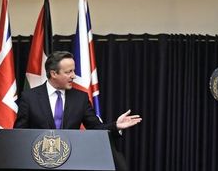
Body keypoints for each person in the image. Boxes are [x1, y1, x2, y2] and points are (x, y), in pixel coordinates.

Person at [14, 51, 142, 130]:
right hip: (37, 166)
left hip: (70, 164)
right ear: (53, 74)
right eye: (69, 72)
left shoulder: (80, 98)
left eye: (73, 71)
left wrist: (115, 125)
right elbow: (19, 134)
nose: (74, 76)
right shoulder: (29, 97)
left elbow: (95, 128)